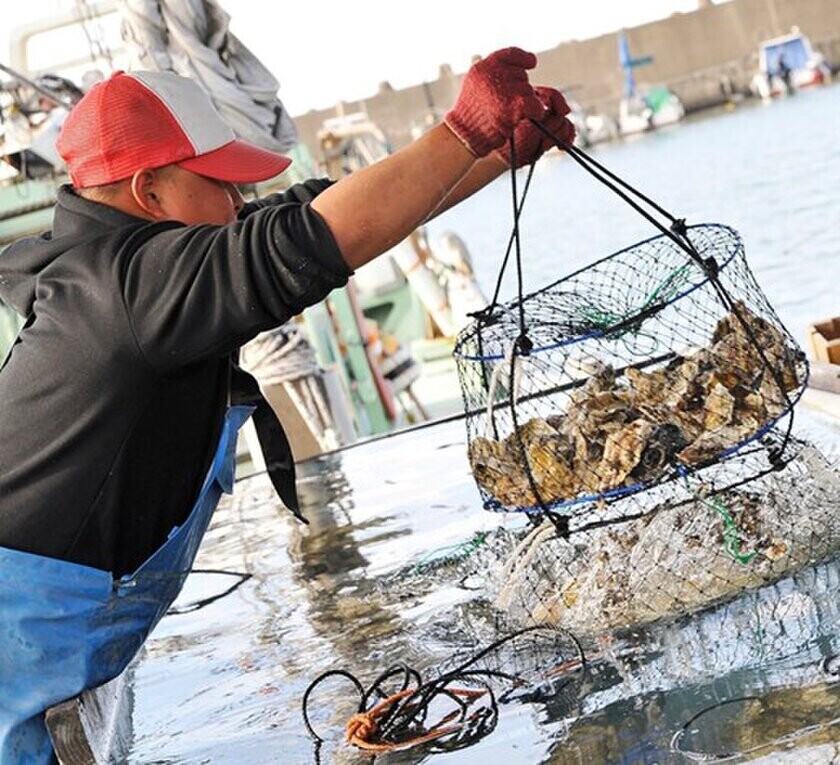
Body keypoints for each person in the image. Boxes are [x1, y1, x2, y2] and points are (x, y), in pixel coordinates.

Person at [0, 48, 574, 763]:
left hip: (51, 656)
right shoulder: (130, 288)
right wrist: (459, 133)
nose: (239, 204)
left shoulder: (114, 269)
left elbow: (303, 212)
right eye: (222, 185)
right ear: (150, 191)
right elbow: (295, 246)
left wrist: (489, 158)